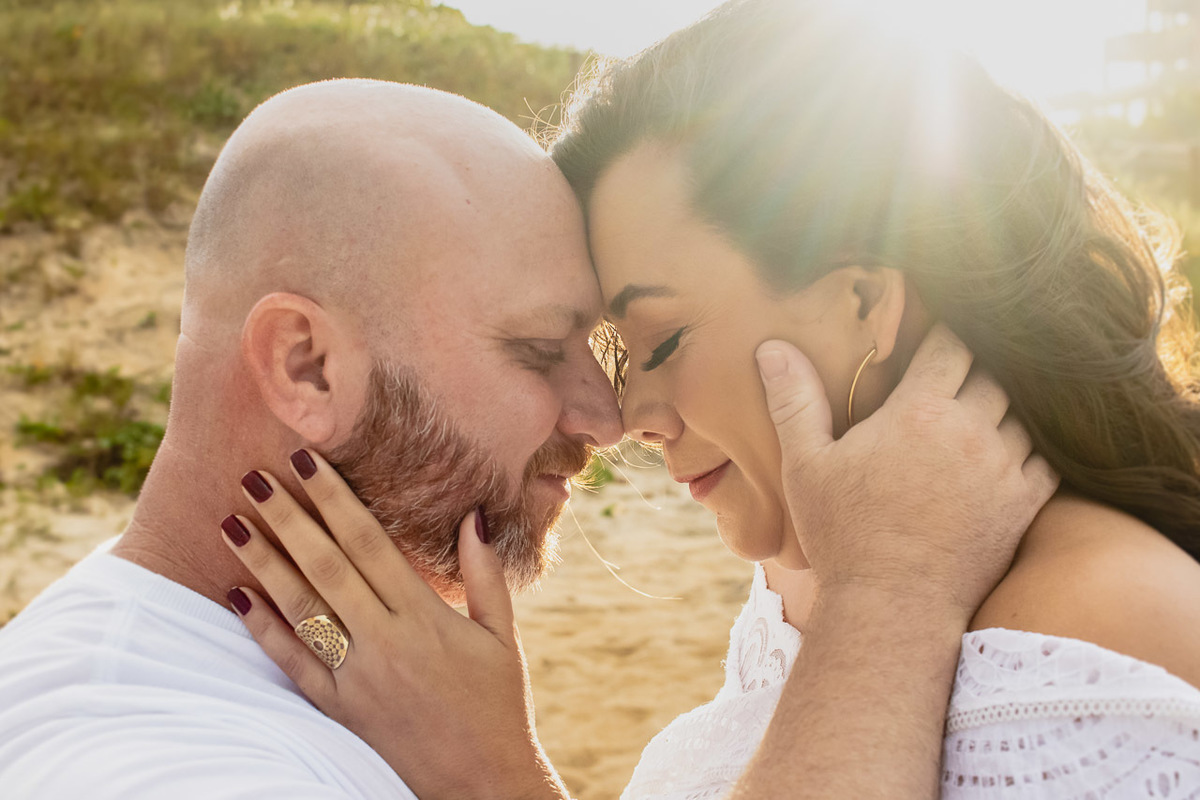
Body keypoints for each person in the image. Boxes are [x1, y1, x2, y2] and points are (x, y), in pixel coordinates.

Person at [228, 1, 1200, 797]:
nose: (626, 420)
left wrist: (494, 781)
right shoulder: (809, 582)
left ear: (862, 301)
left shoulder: (1090, 636)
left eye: (664, 341)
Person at [0, 77, 1049, 799]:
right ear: (306, 365)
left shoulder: (255, 646)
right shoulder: (165, 769)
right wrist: (894, 588)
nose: (606, 417)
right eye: (541, 350)